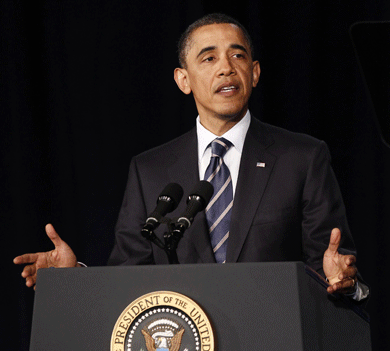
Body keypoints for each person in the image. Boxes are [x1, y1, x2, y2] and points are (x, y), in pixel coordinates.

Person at [14, 13, 368, 300]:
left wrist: (340, 280)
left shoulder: (302, 158)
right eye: (209, 58)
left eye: (238, 55)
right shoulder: (149, 170)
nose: (226, 67)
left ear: (255, 73)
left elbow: (331, 265)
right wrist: (73, 279)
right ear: (183, 79)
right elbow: (128, 278)